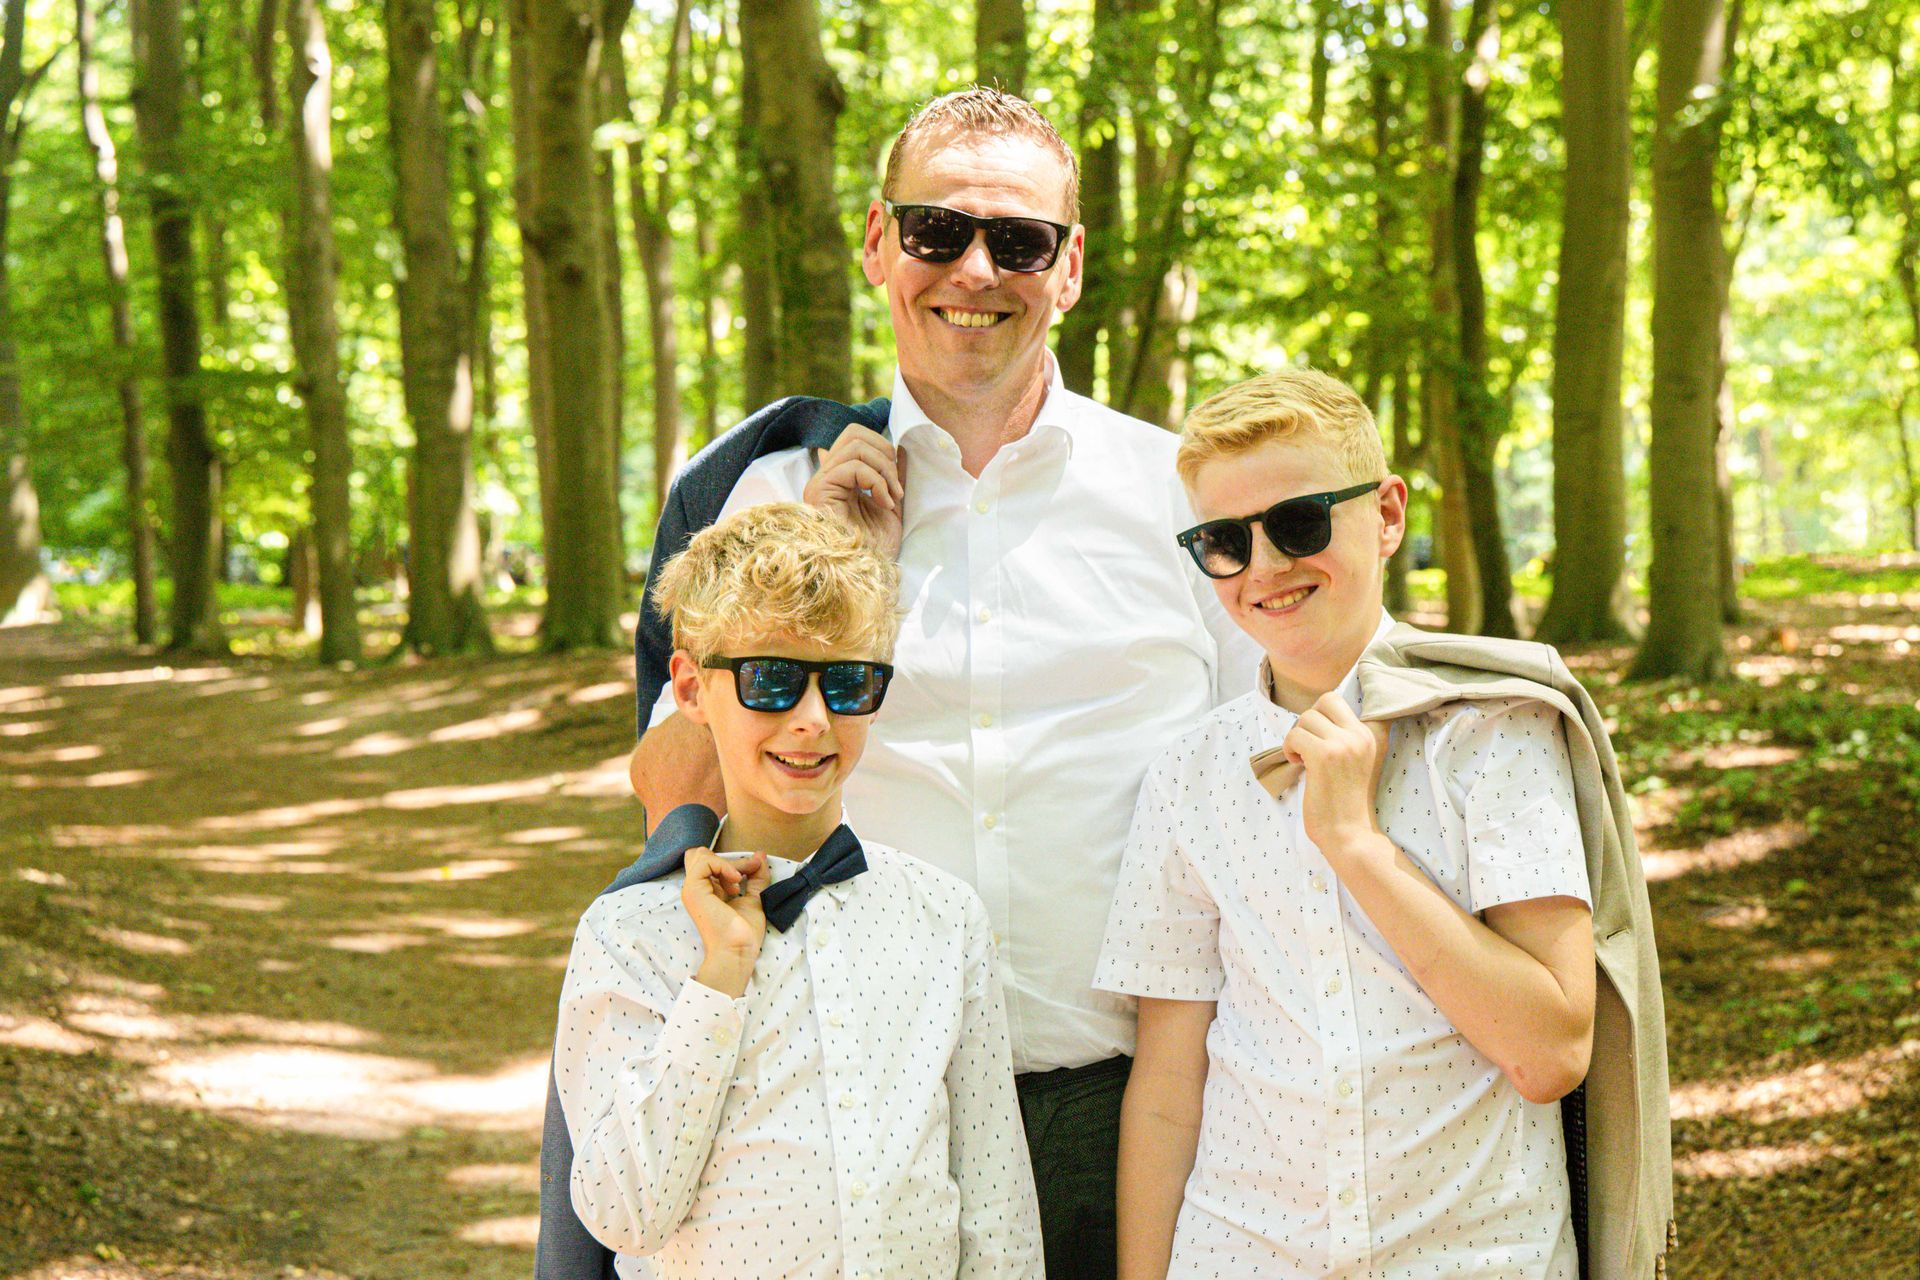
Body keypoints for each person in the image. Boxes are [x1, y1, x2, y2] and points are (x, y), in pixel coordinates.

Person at [624, 88, 1261, 1280]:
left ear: (1067, 268)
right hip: (841, 1103)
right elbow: (669, 793)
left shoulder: (1185, 497)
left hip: (1138, 1113)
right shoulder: (766, 499)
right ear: (879, 242)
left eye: (1017, 240)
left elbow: (1267, 782)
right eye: (937, 231)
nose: (976, 267)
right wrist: (815, 581)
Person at [1096, 369, 1606, 1279]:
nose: (1264, 568)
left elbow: (1552, 1051)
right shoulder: (1186, 779)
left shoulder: (1496, 732)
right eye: (1223, 540)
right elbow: (1169, 1088)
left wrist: (1359, 848)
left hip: (1477, 1256)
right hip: (1240, 1254)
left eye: (1297, 523)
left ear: (1387, 514)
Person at [554, 502, 1043, 1279]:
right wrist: (718, 982)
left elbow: (995, 1207)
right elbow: (626, 1215)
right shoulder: (628, 936)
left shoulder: (944, 919)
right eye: (772, 681)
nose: (813, 720)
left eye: (848, 685)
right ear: (689, 688)